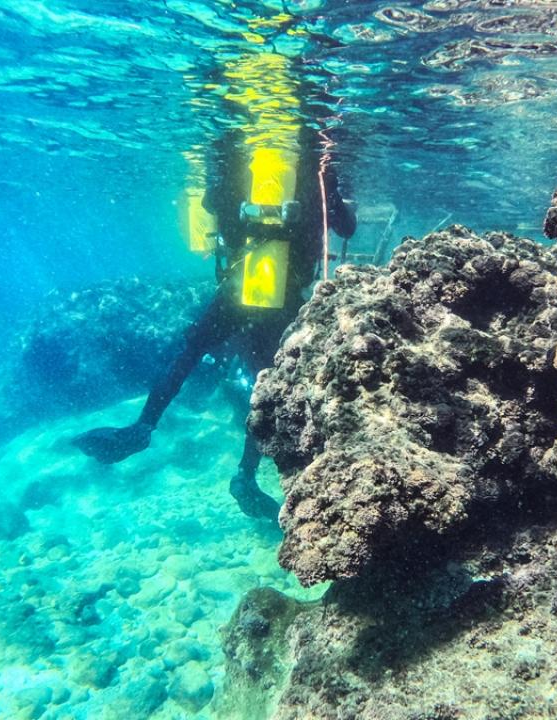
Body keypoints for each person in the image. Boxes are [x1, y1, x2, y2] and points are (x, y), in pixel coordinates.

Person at [72, 50, 356, 519]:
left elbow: (209, 205)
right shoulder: (314, 164)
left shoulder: (235, 156)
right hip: (283, 297)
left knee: (189, 351)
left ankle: (142, 426)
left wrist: (238, 192)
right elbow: (342, 227)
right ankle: (245, 474)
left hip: (238, 285)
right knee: (270, 383)